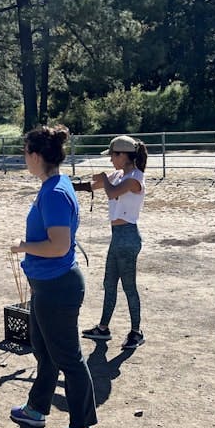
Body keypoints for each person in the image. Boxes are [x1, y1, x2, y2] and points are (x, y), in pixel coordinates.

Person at [9, 125, 97, 428]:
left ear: (35, 155)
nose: (24, 158)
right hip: (46, 286)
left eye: (25, 152)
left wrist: (22, 247)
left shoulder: (56, 192)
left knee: (69, 359)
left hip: (58, 286)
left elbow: (58, 246)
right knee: (44, 351)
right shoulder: (52, 187)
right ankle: (37, 408)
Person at [76, 135, 147, 350]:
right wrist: (66, 185)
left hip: (128, 236)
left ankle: (136, 331)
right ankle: (103, 328)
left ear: (124, 155)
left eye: (113, 156)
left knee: (128, 286)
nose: (110, 161)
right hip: (118, 237)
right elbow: (93, 186)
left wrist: (105, 178)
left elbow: (111, 191)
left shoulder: (135, 178)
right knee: (109, 284)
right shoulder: (118, 175)